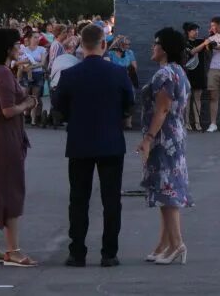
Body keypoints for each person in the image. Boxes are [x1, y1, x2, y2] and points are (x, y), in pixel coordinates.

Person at [52, 24, 135, 267]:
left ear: (81, 46)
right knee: (111, 200)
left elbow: (58, 109)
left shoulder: (70, 75)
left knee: (78, 199)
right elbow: (129, 105)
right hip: (111, 141)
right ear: (104, 44)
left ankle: (77, 252)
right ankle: (109, 252)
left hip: (79, 142)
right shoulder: (118, 74)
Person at [0, 28, 38, 267]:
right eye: (16, 44)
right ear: (7, 48)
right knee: (11, 192)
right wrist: (26, 103)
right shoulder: (3, 73)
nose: (20, 47)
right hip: (4, 141)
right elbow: (6, 110)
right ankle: (13, 250)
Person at [137, 27, 192, 265]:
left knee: (168, 191)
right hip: (175, 135)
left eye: (156, 43)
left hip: (164, 138)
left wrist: (148, 138)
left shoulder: (165, 74)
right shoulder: (179, 71)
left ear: (165, 48)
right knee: (165, 191)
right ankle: (165, 243)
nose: (153, 46)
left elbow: (162, 109)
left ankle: (177, 244)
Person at [19, 31, 47, 126]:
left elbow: (43, 63)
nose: (37, 39)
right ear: (30, 38)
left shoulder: (42, 49)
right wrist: (25, 67)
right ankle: (25, 115)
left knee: (35, 97)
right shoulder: (25, 49)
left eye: (38, 37)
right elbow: (21, 62)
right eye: (35, 37)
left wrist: (31, 67)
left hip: (38, 74)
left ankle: (33, 119)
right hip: (26, 74)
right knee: (25, 95)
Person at [183, 23, 208, 131]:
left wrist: (208, 42)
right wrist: (204, 44)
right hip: (188, 72)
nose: (196, 32)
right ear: (188, 32)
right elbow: (192, 52)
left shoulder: (201, 41)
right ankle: (187, 122)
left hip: (199, 72)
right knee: (187, 98)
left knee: (197, 97)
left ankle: (197, 123)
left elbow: (209, 48)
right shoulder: (185, 42)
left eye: (197, 30)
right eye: (193, 30)